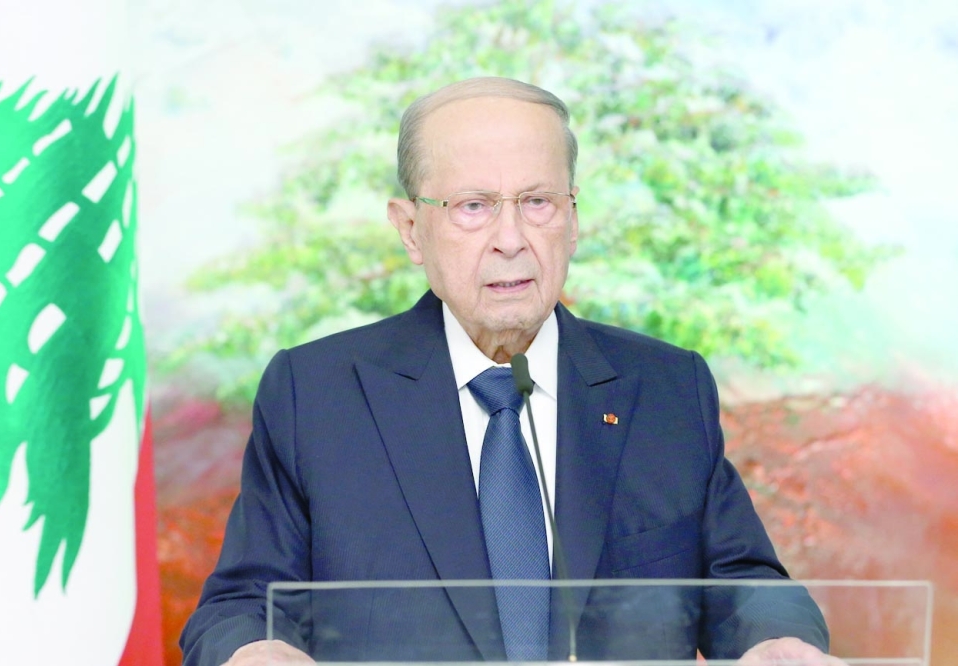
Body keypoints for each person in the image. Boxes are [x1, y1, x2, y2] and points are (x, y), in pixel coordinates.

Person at [181, 77, 839, 666]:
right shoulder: (317, 395)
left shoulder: (666, 390)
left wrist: (776, 643)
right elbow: (240, 605)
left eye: (537, 202)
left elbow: (743, 584)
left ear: (573, 217)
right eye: (473, 206)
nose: (511, 238)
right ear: (410, 229)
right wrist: (256, 652)